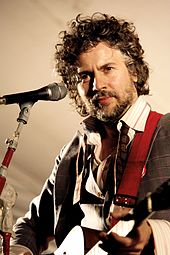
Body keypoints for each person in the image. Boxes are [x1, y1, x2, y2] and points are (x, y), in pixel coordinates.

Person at [10, 12, 170, 255]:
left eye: (107, 69)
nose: (97, 85)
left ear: (134, 71)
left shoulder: (167, 133)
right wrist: (20, 249)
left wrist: (153, 234)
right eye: (85, 76)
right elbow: (31, 225)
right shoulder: (72, 153)